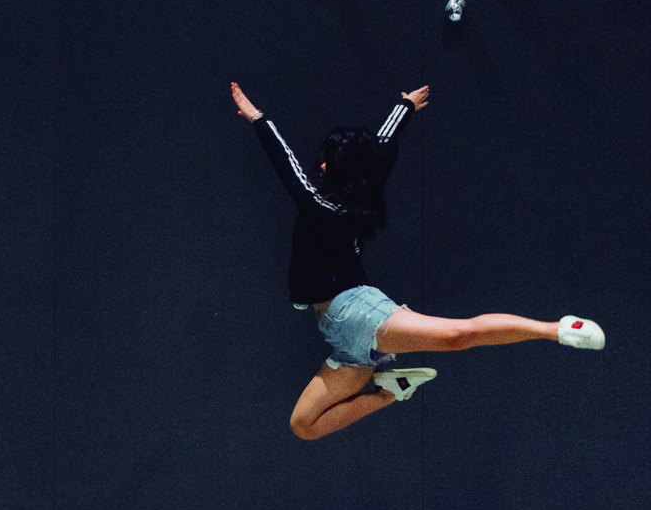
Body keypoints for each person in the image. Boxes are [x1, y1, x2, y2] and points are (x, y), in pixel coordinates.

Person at [230, 81, 604, 441]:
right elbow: (379, 147)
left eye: (326, 161)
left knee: (458, 336)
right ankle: (392, 391)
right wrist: (404, 107)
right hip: (343, 339)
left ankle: (559, 328)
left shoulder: (322, 208)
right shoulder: (359, 188)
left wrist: (258, 118)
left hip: (356, 313)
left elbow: (286, 163)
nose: (321, 166)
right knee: (304, 425)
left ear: (335, 168)